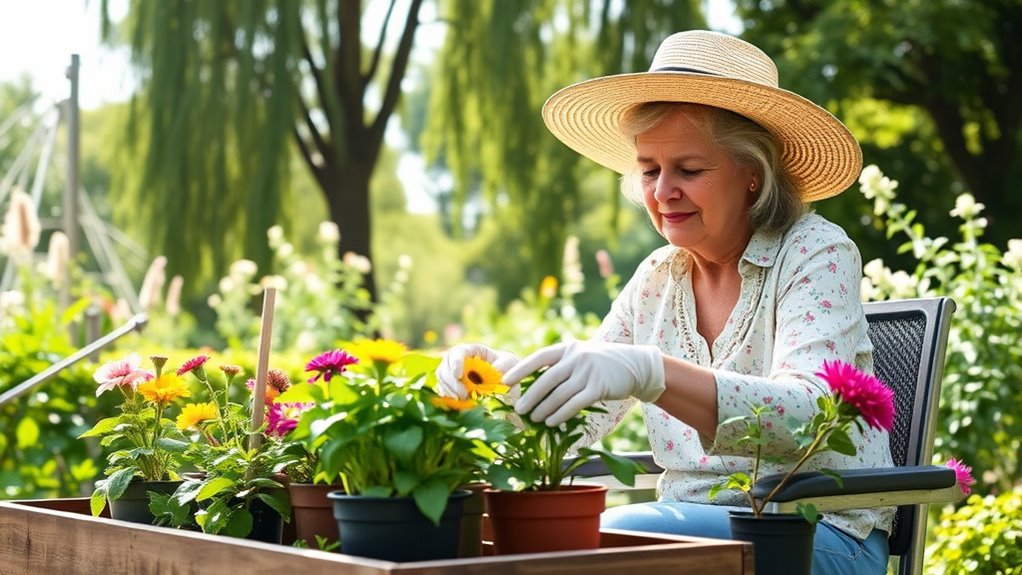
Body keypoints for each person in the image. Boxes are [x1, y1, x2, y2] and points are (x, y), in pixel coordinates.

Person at [436, 30, 893, 575]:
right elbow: (579, 420)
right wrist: (499, 381)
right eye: (650, 169)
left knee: (609, 546)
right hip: (689, 536)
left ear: (754, 174)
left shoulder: (816, 251)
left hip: (814, 534)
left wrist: (651, 372)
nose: (661, 191)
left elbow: (805, 416)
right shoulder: (658, 276)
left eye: (689, 170)